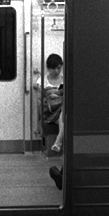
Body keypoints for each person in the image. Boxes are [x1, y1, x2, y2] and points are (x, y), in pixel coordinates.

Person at [34, 53, 64, 189]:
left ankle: (59, 142)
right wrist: (38, 122)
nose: (57, 71)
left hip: (62, 111)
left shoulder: (65, 79)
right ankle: (58, 142)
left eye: (59, 68)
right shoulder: (42, 82)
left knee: (65, 113)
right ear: (48, 68)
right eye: (54, 69)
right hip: (50, 111)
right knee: (65, 113)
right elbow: (39, 103)